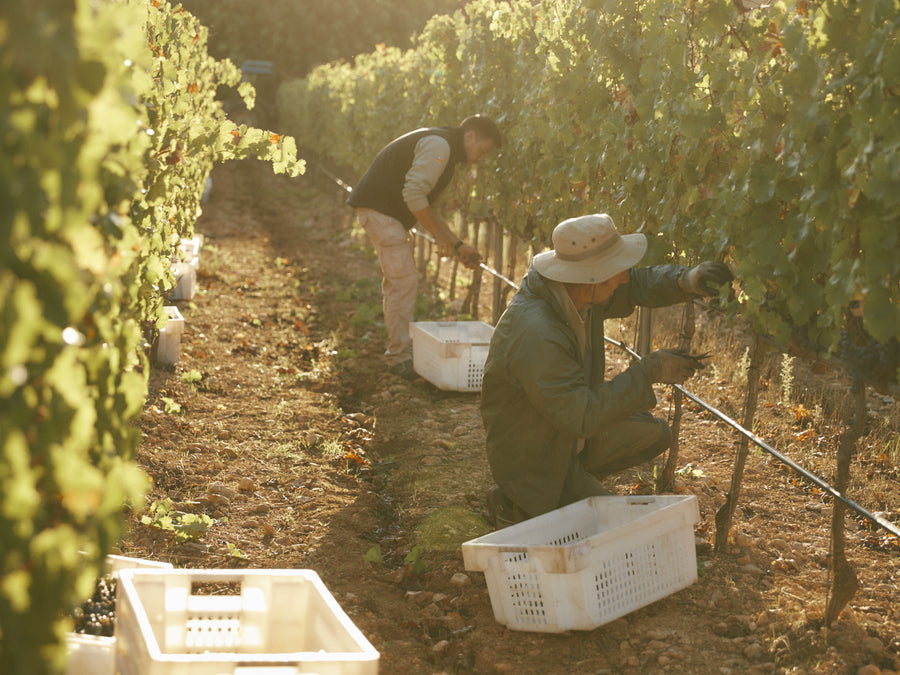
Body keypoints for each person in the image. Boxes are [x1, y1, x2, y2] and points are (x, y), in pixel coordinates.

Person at [480, 213, 733, 527]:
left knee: (654, 434)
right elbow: (583, 415)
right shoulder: (538, 332)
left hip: (560, 432)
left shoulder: (573, 292)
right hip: (533, 455)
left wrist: (686, 280)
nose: (624, 277)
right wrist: (650, 371)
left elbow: (637, 285)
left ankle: (567, 483)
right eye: (616, 270)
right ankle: (520, 499)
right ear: (590, 278)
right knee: (614, 528)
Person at [348, 115, 503, 379]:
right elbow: (414, 195)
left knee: (400, 281)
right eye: (482, 151)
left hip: (384, 214)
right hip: (380, 213)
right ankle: (398, 359)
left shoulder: (446, 151)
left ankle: (398, 354)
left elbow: (429, 208)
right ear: (470, 137)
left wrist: (456, 245)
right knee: (403, 281)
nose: (481, 159)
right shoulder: (440, 147)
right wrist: (442, 236)